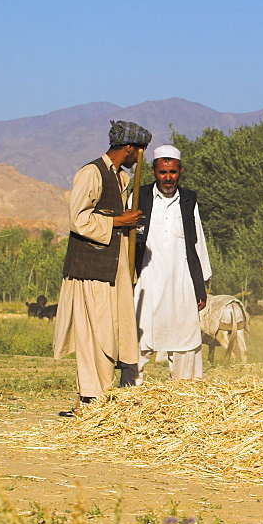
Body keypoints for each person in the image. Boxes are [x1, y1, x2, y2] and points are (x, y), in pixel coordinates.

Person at [52, 120, 150, 414]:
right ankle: (90, 398)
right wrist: (119, 222)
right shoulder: (91, 174)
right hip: (90, 271)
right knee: (91, 333)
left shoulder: (119, 178)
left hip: (115, 269)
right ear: (129, 148)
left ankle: (103, 396)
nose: (138, 158)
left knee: (111, 330)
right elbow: (78, 220)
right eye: (139, 151)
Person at [132, 145, 212, 383]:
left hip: (181, 282)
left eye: (173, 172)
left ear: (180, 171)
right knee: (139, 335)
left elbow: (197, 243)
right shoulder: (139, 196)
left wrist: (200, 286)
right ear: (153, 171)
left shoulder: (188, 200)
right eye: (163, 172)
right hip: (147, 282)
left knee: (184, 337)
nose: (168, 178)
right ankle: (131, 391)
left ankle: (186, 391)